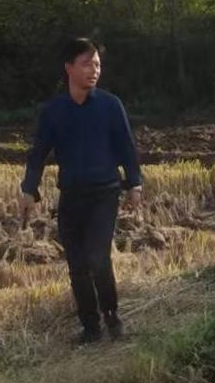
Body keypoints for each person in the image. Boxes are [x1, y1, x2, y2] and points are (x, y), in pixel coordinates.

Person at [20, 38, 143, 344]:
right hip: (71, 195)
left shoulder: (111, 106)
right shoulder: (54, 111)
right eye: (87, 63)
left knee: (98, 258)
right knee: (76, 265)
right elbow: (38, 153)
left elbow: (127, 147)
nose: (94, 70)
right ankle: (90, 328)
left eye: (98, 64)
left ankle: (112, 316)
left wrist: (134, 183)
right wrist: (28, 189)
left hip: (105, 192)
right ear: (69, 68)